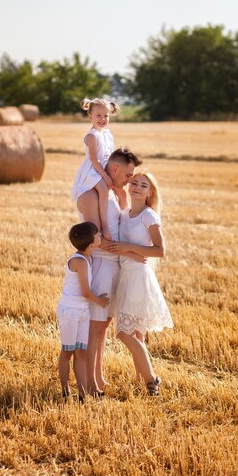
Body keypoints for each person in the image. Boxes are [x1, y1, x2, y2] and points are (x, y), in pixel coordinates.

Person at [77, 147, 142, 395]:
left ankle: (99, 377)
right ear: (114, 169)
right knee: (95, 327)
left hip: (114, 265)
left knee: (104, 325)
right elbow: (96, 240)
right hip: (102, 264)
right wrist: (128, 252)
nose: (129, 180)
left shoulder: (112, 193)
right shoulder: (91, 196)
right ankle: (91, 385)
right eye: (127, 175)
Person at [107, 172, 173, 396]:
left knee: (123, 334)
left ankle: (152, 379)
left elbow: (160, 250)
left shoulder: (149, 216)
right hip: (126, 275)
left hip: (138, 277)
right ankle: (141, 383)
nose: (136, 187)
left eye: (143, 185)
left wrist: (128, 248)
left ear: (149, 193)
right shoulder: (125, 214)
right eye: (134, 182)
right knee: (137, 334)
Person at [56, 221, 110, 401]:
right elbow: (85, 292)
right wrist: (100, 301)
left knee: (81, 352)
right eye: (97, 234)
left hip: (83, 312)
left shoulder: (88, 257)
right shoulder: (79, 260)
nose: (100, 235)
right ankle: (64, 390)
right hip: (70, 311)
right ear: (91, 243)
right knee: (67, 351)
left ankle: (82, 393)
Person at [71, 97, 120, 241]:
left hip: (104, 168)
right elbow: (94, 160)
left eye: (106, 115)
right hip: (93, 170)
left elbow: (110, 155)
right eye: (98, 115)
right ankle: (104, 225)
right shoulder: (92, 136)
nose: (102, 119)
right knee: (104, 189)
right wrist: (105, 176)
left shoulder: (107, 134)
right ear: (90, 115)